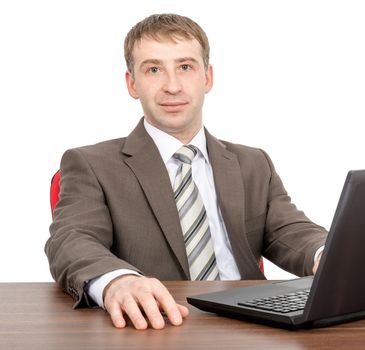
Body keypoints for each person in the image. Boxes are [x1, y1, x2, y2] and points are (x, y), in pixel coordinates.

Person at [45, 13, 327, 330]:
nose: (172, 86)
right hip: (159, 325)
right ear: (132, 84)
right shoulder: (91, 164)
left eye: (185, 67)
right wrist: (116, 282)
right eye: (153, 69)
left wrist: (327, 254)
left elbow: (290, 230)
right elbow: (71, 240)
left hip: (255, 326)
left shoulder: (253, 163)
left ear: (206, 78)